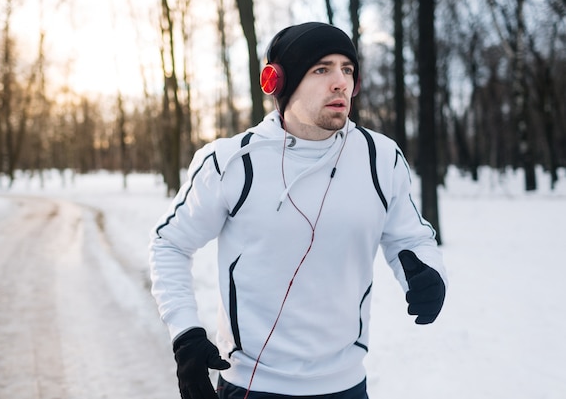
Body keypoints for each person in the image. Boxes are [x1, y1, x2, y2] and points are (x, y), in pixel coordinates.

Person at [148, 22, 447, 399]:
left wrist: (431, 275)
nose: (341, 82)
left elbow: (410, 236)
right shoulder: (232, 162)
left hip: (346, 386)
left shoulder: (379, 157)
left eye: (348, 69)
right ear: (278, 82)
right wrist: (185, 335)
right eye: (321, 69)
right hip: (251, 387)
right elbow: (169, 244)